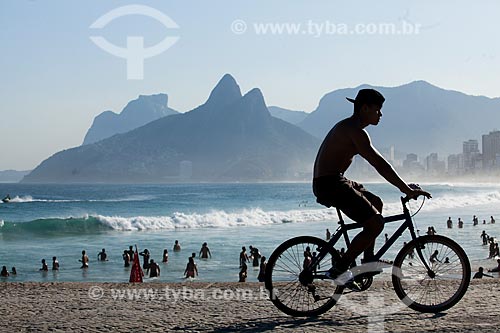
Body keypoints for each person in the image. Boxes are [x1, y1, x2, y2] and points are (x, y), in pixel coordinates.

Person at [312, 88, 431, 282]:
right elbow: (380, 164)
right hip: (330, 183)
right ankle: (340, 269)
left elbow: (380, 165)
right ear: (365, 108)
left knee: (377, 203)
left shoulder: (351, 128)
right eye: (378, 110)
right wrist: (406, 190)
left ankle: (368, 262)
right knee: (376, 223)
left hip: (334, 180)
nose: (381, 114)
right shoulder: (354, 131)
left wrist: (404, 185)